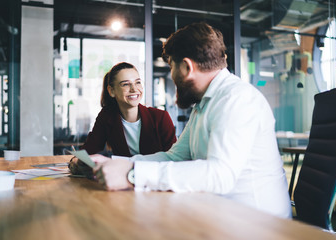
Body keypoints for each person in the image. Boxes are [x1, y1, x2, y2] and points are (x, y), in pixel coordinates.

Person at [91, 23, 292, 219]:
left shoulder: (237, 99)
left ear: (187, 67)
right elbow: (175, 157)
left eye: (172, 66)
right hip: (219, 215)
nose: (172, 76)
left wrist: (132, 175)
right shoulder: (204, 103)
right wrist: (115, 164)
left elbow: (219, 175)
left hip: (256, 225)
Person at [69, 62, 177, 177]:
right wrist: (75, 161)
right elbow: (89, 149)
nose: (134, 89)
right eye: (126, 84)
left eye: (138, 82)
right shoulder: (107, 117)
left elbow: (174, 159)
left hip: (156, 179)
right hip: (122, 181)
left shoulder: (160, 117)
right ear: (112, 91)